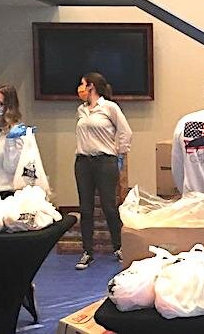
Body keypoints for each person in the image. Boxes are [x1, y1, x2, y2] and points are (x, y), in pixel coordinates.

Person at [74, 72, 132, 270]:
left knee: (109, 206)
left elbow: (125, 131)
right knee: (86, 208)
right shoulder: (81, 110)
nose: (80, 88)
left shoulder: (109, 107)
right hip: (83, 162)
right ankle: (87, 251)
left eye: (82, 84)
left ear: (91, 86)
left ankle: (119, 247)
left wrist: (120, 155)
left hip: (105, 161)